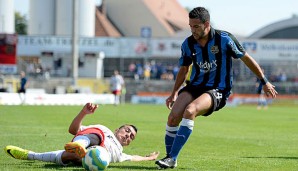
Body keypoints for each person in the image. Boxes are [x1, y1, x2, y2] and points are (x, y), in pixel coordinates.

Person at [155, 7, 278, 169]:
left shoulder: (224, 39)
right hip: (194, 86)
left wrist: (264, 81)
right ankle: (170, 158)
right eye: (190, 26)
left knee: (190, 111)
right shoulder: (188, 44)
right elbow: (184, 69)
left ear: (207, 24)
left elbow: (246, 59)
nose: (193, 30)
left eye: (196, 26)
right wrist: (174, 93)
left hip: (218, 89)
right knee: (173, 117)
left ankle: (172, 158)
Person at [4, 103, 159, 167]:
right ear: (117, 129)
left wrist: (149, 158)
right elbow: (74, 130)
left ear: (128, 144)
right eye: (127, 130)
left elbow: (133, 158)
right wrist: (84, 113)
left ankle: (30, 155)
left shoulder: (119, 153)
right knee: (96, 135)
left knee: (70, 156)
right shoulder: (104, 129)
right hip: (88, 142)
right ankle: (29, 155)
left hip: (86, 159)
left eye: (131, 137)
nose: (128, 136)